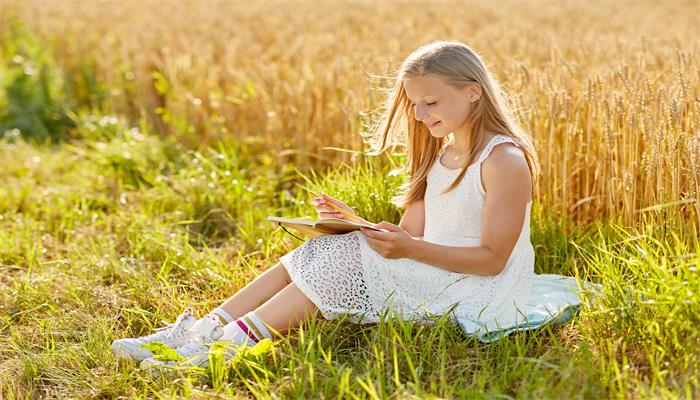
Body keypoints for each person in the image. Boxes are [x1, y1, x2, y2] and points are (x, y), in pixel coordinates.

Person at [111, 39, 540, 370]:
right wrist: (358, 226)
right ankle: (202, 329)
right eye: (414, 103)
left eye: (431, 102)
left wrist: (406, 249)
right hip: (438, 266)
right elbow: (411, 234)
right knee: (325, 248)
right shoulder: (441, 151)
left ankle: (226, 347)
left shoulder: (502, 160)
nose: (420, 113)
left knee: (344, 260)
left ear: (473, 93)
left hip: (478, 288)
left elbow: (493, 261)